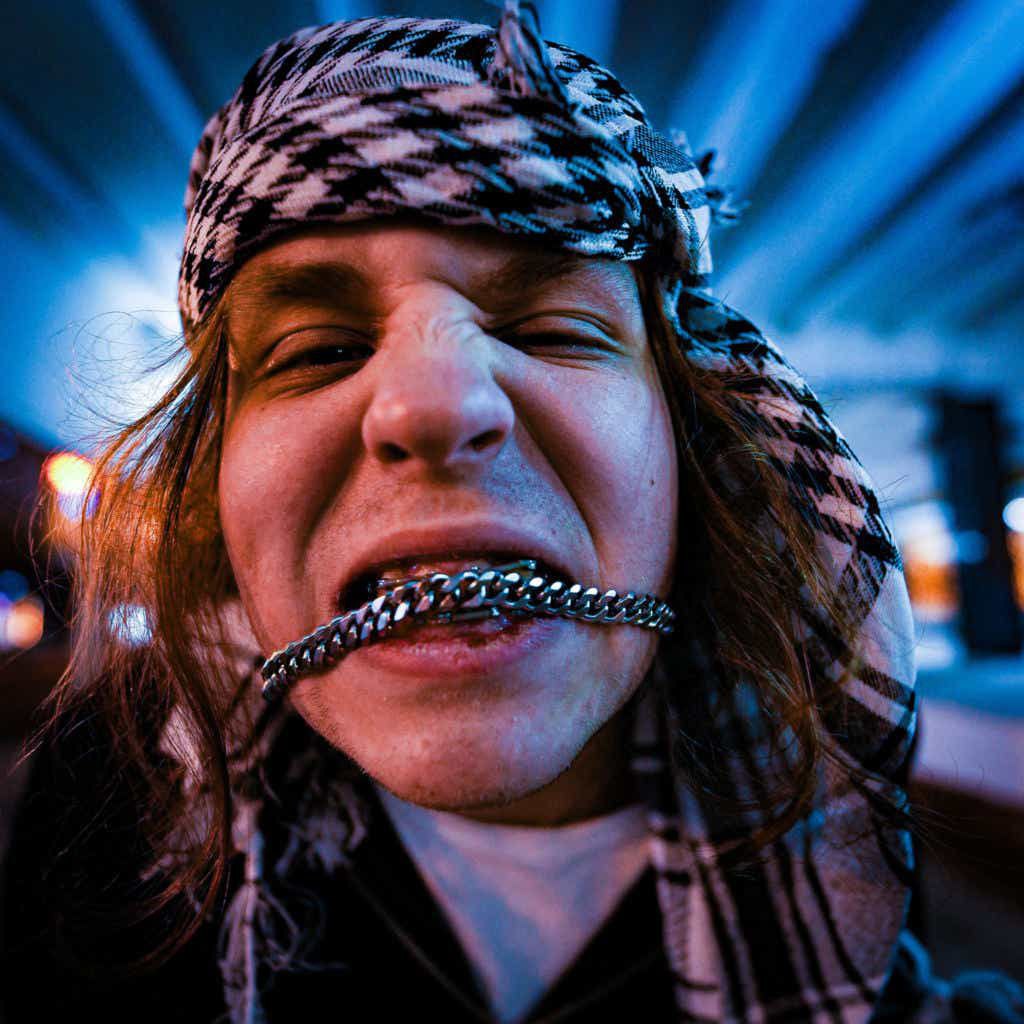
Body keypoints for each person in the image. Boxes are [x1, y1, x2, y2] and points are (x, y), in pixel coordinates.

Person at [3, 4, 1021, 1022]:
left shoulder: (815, 794)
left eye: (552, 329)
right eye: (319, 351)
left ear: (688, 440)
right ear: (217, 470)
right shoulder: (116, 787)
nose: (434, 406)